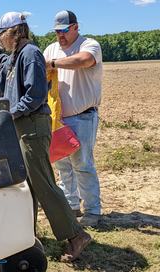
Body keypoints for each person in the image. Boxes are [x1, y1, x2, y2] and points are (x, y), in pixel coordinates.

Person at [0, 11, 91, 262]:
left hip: (32, 126)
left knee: (43, 183)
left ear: (14, 32)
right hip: (20, 125)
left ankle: (76, 235)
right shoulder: (14, 57)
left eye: (2, 34)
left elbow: (35, 95)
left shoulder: (30, 54)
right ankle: (27, 235)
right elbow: (2, 85)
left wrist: (10, 113)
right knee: (26, 185)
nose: (0, 39)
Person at [43, 10, 103, 227]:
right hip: (57, 118)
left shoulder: (89, 45)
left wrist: (54, 64)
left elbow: (83, 61)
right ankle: (72, 204)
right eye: (57, 31)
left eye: (64, 30)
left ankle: (93, 210)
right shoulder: (51, 48)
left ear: (76, 27)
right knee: (63, 164)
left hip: (83, 117)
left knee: (83, 164)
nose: (60, 35)